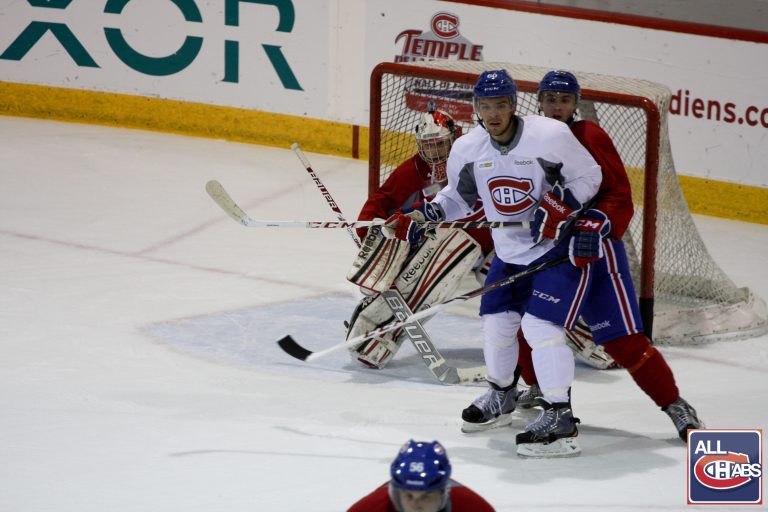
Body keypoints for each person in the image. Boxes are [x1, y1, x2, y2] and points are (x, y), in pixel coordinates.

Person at [383, 69, 604, 457]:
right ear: (477, 108)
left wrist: (559, 208)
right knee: (497, 326)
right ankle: (502, 396)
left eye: (501, 105)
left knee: (540, 327)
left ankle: (560, 416)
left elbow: (590, 176)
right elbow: (459, 197)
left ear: (513, 105)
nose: (494, 113)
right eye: (486, 106)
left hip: (553, 251)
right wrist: (427, 214)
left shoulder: (549, 136)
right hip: (508, 253)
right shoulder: (468, 148)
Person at [511, 70, 704, 441]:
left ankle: (676, 405)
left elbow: (618, 194)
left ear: (575, 104)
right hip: (553, 253)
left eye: (564, 100)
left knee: (621, 341)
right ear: (539, 101)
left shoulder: (591, 136)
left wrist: (595, 222)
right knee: (532, 322)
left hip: (596, 253)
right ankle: (543, 393)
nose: (556, 107)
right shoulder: (528, 139)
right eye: (550, 99)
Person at [345, 104, 493, 369]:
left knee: (510, 289)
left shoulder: (474, 159)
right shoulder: (416, 168)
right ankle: (376, 337)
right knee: (414, 276)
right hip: (452, 242)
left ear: (454, 139)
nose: (434, 152)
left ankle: (579, 333)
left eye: (439, 144)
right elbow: (382, 200)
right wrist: (369, 233)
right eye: (428, 145)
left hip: (496, 245)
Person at [348, 439, 495, 512]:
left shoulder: (474, 508)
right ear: (396, 494)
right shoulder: (370, 508)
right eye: (408, 496)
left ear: (443, 493)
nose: (416, 506)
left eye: (425, 496)